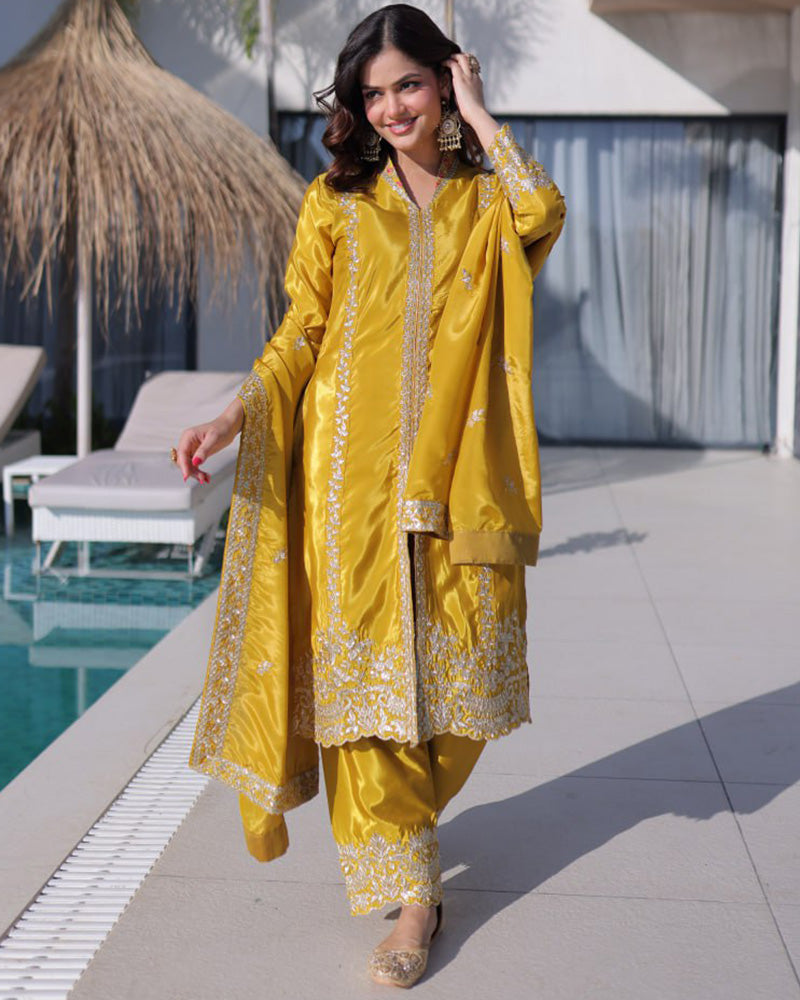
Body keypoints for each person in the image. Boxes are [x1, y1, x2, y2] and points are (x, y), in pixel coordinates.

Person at [175, 3, 565, 989]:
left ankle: (408, 835)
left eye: (410, 84)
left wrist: (480, 114)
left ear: (443, 81)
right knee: (365, 702)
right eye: (373, 92)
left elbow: (542, 213)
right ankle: (411, 898)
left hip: (461, 480)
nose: (391, 107)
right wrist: (233, 413)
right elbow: (301, 331)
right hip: (344, 483)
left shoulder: (486, 197)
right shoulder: (335, 202)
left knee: (466, 692)